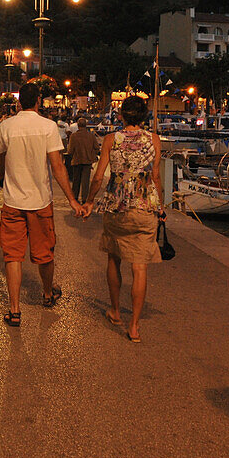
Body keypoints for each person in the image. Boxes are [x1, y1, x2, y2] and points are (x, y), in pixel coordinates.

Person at [0, 83, 83, 327]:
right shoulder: (48, 126)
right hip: (41, 200)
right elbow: (57, 167)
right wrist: (72, 200)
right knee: (45, 252)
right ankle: (47, 293)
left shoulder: (6, 126)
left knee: (12, 255)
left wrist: (2, 177)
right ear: (38, 102)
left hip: (12, 201)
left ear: (19, 102)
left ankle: (14, 311)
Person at [82, 96, 164, 342]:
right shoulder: (154, 140)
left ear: (122, 115)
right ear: (144, 116)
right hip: (144, 207)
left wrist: (88, 201)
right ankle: (135, 326)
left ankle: (116, 311)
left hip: (116, 207)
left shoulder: (111, 140)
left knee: (114, 258)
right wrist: (160, 206)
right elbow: (156, 177)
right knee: (139, 267)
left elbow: (98, 177)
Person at [67, 117, 100, 204]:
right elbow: (97, 148)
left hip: (77, 160)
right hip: (87, 161)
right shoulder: (91, 136)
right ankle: (85, 198)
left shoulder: (73, 136)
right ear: (86, 125)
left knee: (76, 180)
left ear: (78, 125)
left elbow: (70, 150)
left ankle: (75, 197)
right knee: (85, 181)